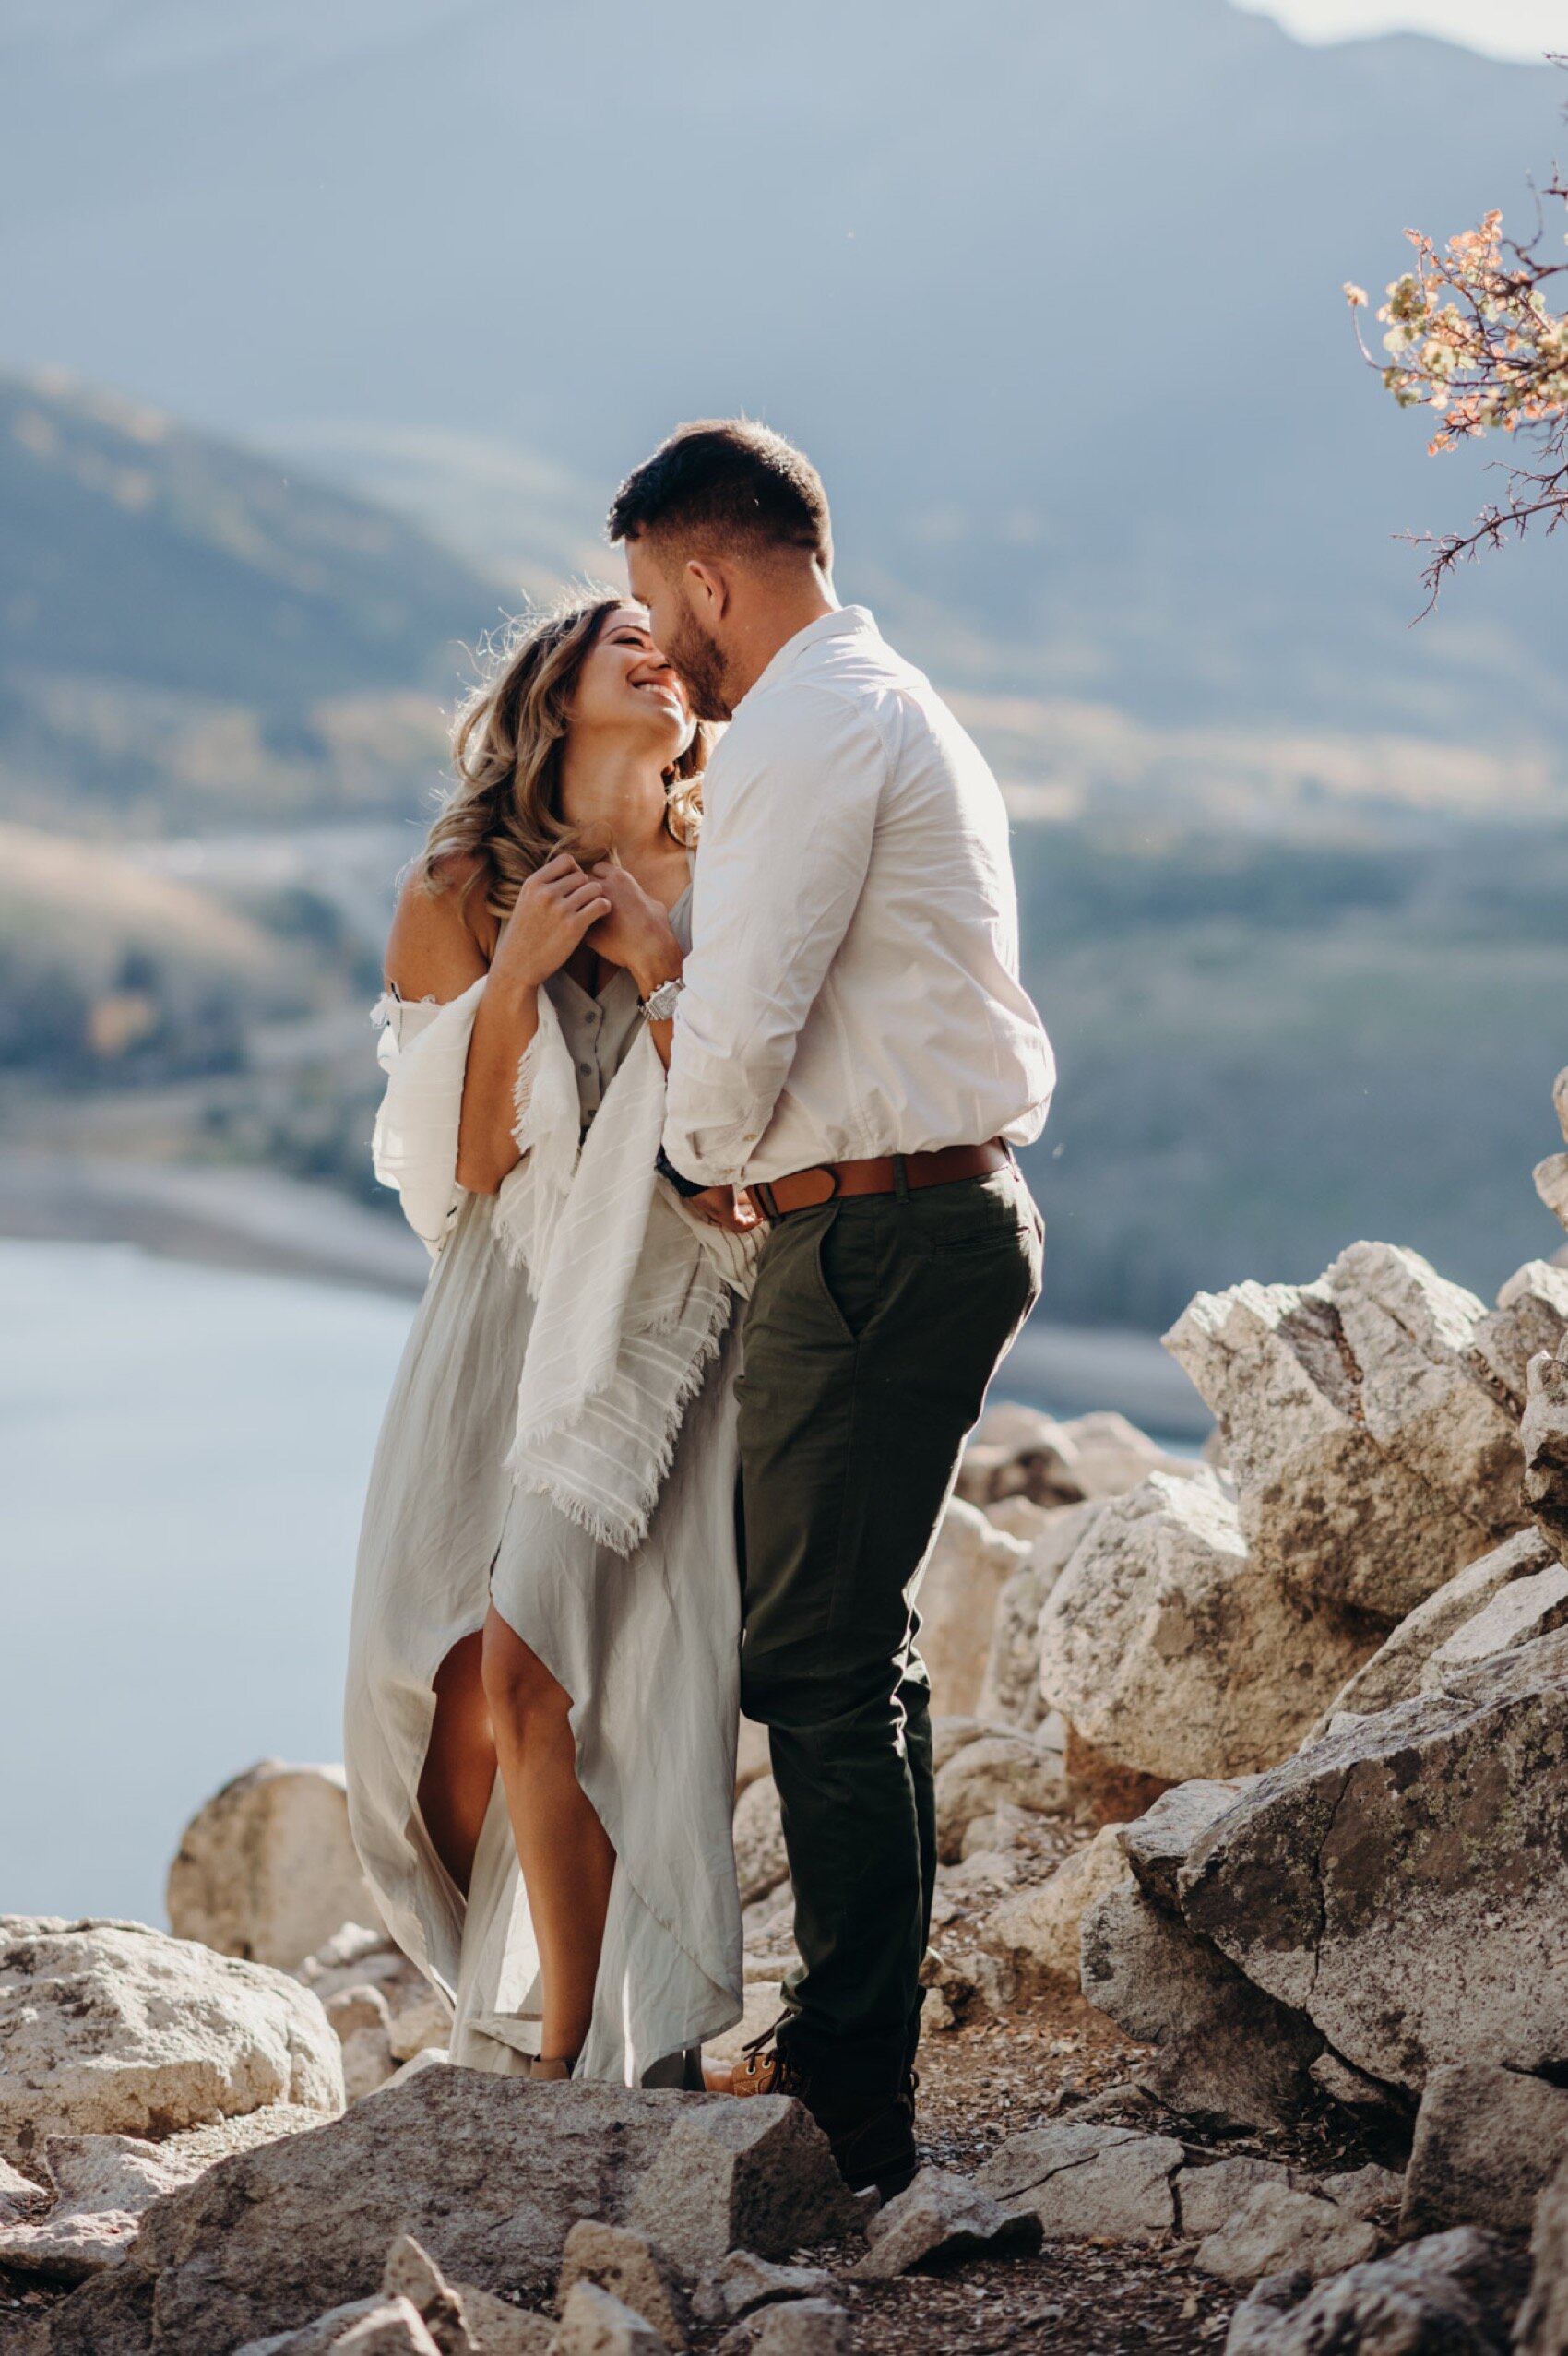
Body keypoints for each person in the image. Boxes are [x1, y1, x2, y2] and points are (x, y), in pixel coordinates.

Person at [606, 421, 1055, 2193]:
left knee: (807, 1657)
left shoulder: (803, 722)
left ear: (712, 571)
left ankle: (852, 2092)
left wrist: (694, 1155)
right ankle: (852, 2050)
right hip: (919, 1217)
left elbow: (747, 1008)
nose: (666, 642)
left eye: (660, 600)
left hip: (874, 1238)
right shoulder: (888, 696)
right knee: (849, 1644)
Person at [344, 589, 760, 2090]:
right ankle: (502, 1989)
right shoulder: (456, 884)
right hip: (501, 1305)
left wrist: (663, 960)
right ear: (555, 687)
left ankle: (575, 2056)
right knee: (439, 1681)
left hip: (661, 1320)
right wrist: (518, 973)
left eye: (674, 643)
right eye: (620, 638)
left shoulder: (733, 869)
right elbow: (456, 1170)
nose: (660, 654)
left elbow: (749, 1117)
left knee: (589, 1675)